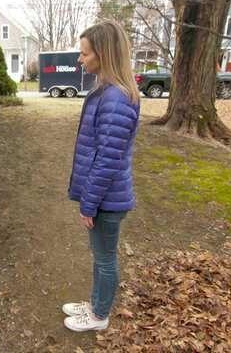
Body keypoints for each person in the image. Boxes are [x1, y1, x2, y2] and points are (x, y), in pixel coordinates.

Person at [63, 21, 141, 332]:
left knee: (105, 259)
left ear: (103, 54)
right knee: (100, 256)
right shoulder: (107, 92)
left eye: (84, 53)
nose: (80, 60)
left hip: (107, 200)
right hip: (105, 198)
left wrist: (88, 204)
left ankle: (99, 316)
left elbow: (108, 160)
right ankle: (96, 303)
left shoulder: (115, 99)